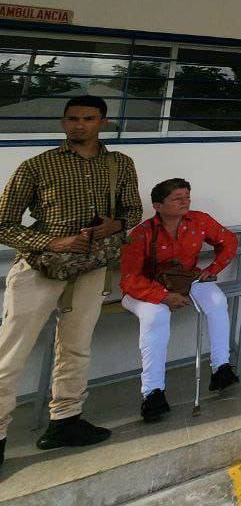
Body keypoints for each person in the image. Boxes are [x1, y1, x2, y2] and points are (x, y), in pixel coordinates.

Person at [0, 95, 143, 466]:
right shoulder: (37, 166)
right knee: (10, 354)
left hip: (92, 267)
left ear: (103, 123)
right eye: (72, 119)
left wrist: (116, 224)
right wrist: (52, 240)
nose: (79, 125)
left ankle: (64, 421)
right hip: (40, 269)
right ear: (63, 122)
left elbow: (133, 211)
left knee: (77, 346)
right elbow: (4, 223)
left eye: (88, 118)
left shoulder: (120, 164)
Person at [120, 179, 239, 422]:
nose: (185, 202)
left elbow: (228, 240)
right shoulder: (142, 233)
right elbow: (130, 279)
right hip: (144, 290)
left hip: (185, 281)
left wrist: (214, 267)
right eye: (177, 198)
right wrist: (163, 296)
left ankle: (222, 368)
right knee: (157, 315)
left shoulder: (199, 220)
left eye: (187, 196)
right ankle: (153, 393)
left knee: (216, 299)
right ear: (157, 205)